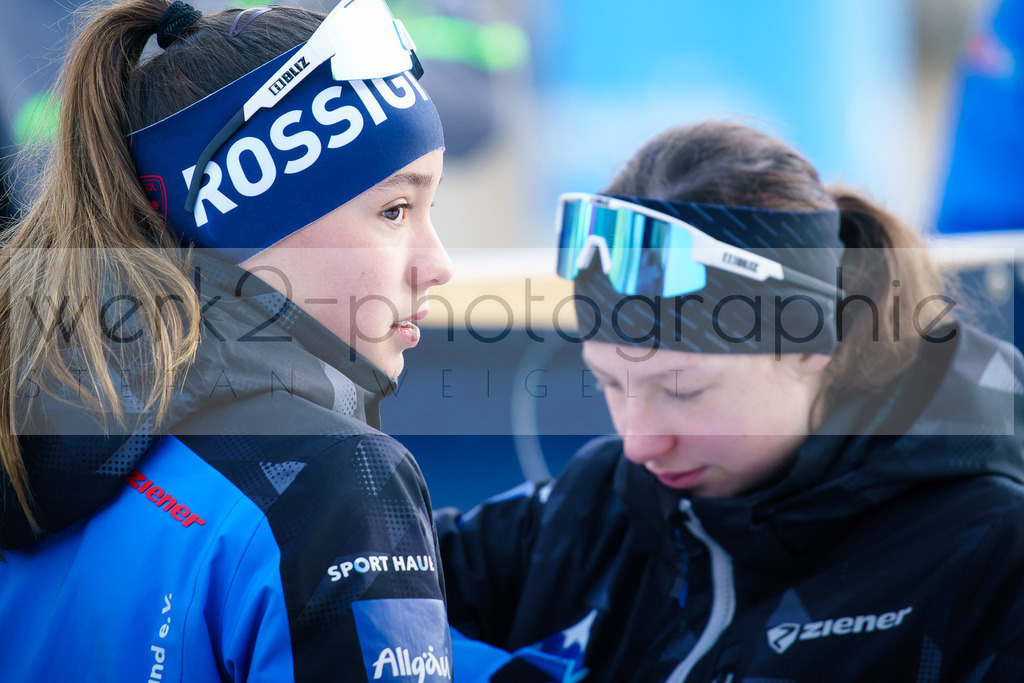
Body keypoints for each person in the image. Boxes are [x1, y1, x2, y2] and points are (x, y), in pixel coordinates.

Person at [436, 122, 1024, 682]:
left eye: (680, 390)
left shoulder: (990, 553)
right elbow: (362, 577)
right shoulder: (594, 506)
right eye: (610, 384)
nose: (639, 443)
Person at [0, 1, 457, 681]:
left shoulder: (30, 413)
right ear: (248, 226)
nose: (438, 263)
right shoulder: (334, 477)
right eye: (394, 209)